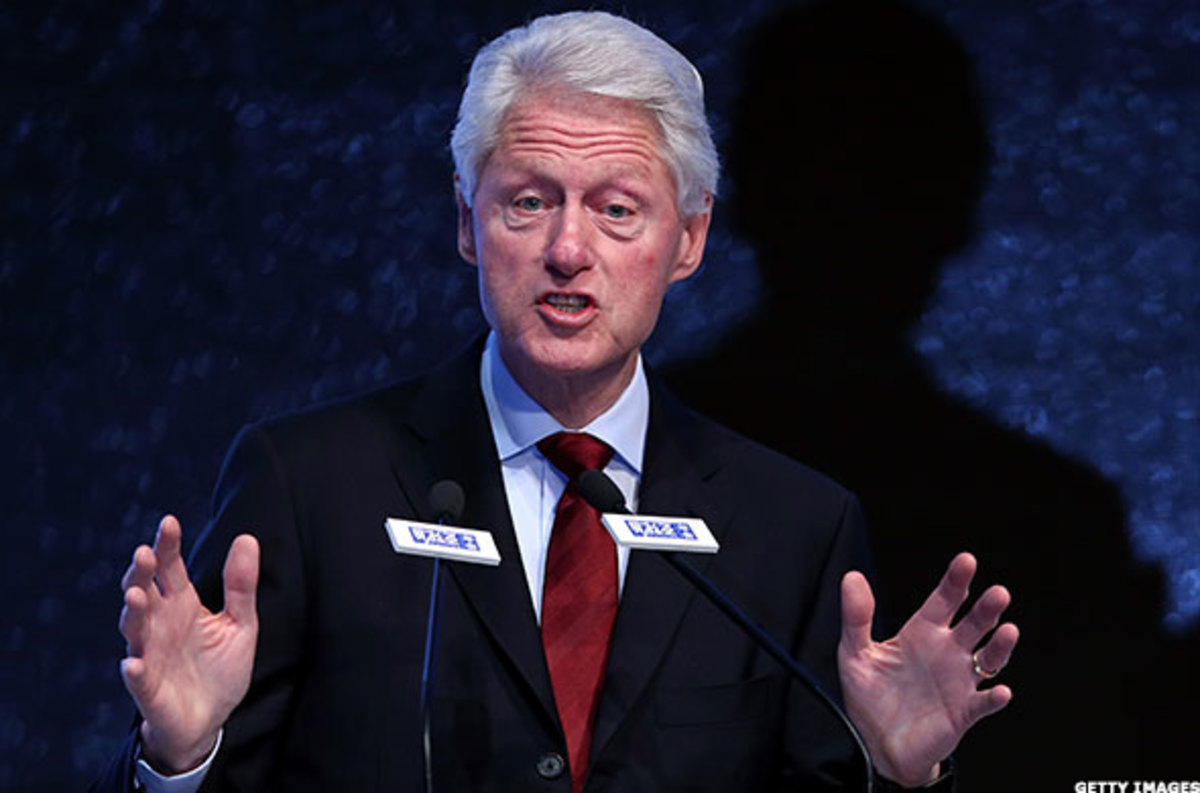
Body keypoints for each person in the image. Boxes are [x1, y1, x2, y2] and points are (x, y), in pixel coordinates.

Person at [96, 11, 1017, 792]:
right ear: (468, 221)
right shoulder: (309, 488)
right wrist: (179, 756)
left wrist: (896, 779)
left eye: (617, 209)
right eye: (530, 202)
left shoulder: (793, 530)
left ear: (688, 239)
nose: (569, 251)